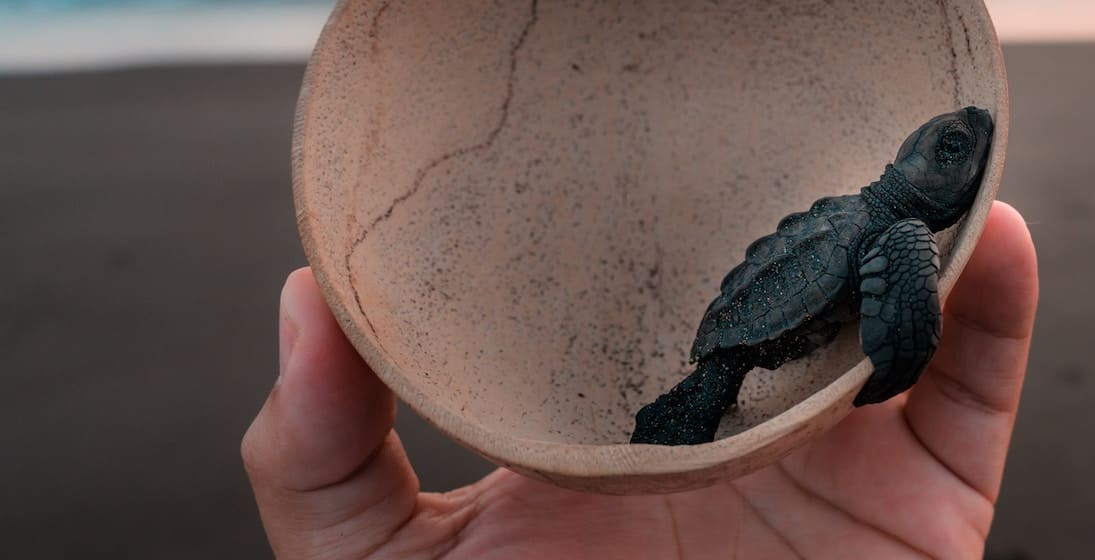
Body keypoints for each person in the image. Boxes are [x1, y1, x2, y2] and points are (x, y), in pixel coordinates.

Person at [243, 202, 1038, 559]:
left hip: (747, 316)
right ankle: (691, 408)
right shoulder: (895, 229)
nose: (969, 149)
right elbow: (893, 306)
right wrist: (896, 354)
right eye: (949, 149)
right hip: (753, 327)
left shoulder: (877, 213)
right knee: (718, 384)